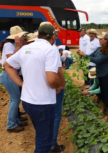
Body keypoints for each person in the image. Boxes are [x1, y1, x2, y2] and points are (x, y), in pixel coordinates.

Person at [3, 24, 61, 153]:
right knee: (43, 143)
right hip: (43, 103)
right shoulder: (50, 49)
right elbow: (52, 79)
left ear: (38, 35)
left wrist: (22, 84)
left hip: (28, 102)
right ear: (52, 36)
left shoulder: (25, 48)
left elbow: (7, 65)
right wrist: (58, 86)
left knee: (41, 135)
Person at [38, 21, 66, 153]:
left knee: (45, 117)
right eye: (55, 34)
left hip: (38, 91)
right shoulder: (52, 49)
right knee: (55, 116)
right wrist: (61, 85)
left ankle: (45, 142)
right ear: (52, 36)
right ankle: (52, 144)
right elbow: (59, 71)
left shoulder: (32, 48)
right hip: (52, 87)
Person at [77, 32, 108, 120]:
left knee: (107, 93)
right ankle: (105, 108)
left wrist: (85, 55)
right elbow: (91, 56)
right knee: (103, 92)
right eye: (99, 39)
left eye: (101, 39)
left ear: (106, 40)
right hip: (100, 73)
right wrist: (82, 54)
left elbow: (98, 60)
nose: (99, 40)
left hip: (106, 74)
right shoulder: (99, 48)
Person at [0, 26, 28, 132]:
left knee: (16, 99)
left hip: (11, 75)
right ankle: (11, 125)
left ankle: (16, 121)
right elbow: (11, 60)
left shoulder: (13, 44)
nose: (23, 37)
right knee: (15, 100)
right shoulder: (8, 45)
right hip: (8, 75)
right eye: (22, 35)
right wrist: (18, 46)